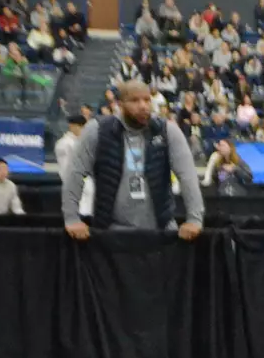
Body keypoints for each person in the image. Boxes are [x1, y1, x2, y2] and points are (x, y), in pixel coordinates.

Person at [61, 80, 204, 241]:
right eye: (135, 100)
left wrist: (194, 219)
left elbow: (188, 177)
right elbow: (75, 173)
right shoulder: (97, 130)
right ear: (120, 104)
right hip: (110, 234)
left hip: (160, 232)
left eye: (147, 99)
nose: (143, 106)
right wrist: (72, 218)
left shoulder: (167, 131)